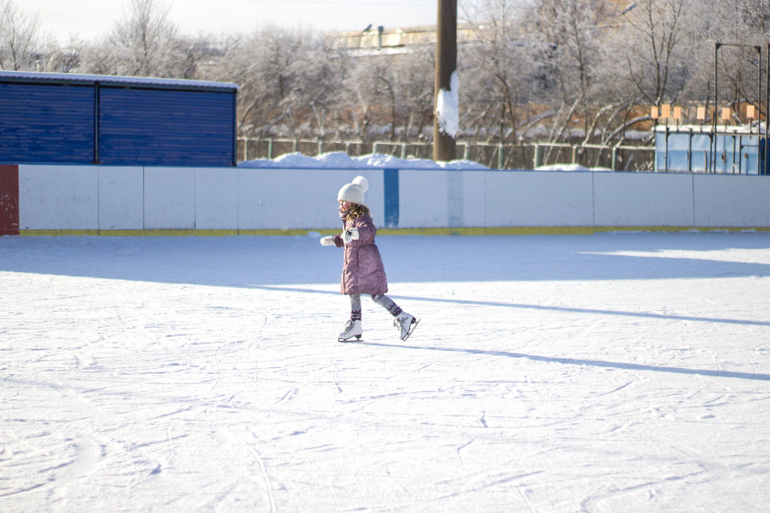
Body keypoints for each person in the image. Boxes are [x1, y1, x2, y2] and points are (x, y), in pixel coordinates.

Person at [320, 176, 418, 342]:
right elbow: (348, 237)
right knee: (354, 292)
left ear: (354, 202)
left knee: (376, 295)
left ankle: (403, 317)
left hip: (366, 263)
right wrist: (335, 240)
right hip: (355, 263)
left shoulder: (361, 218)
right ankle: (356, 324)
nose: (341, 205)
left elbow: (369, 231)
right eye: (340, 202)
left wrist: (356, 233)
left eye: (344, 201)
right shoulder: (349, 219)